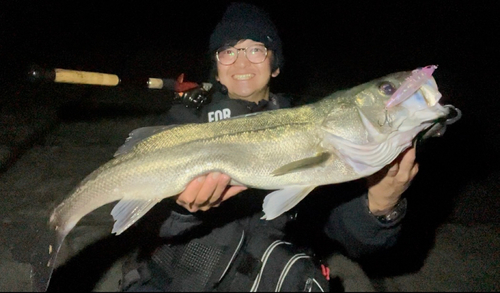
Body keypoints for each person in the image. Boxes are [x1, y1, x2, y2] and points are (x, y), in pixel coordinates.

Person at [121, 2, 418, 292]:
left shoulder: (314, 129)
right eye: (228, 51)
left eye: (255, 49)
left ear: (275, 65)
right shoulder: (183, 121)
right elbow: (138, 226)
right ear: (216, 65)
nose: (241, 62)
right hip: (177, 278)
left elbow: (352, 240)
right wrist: (183, 212)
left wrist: (381, 205)